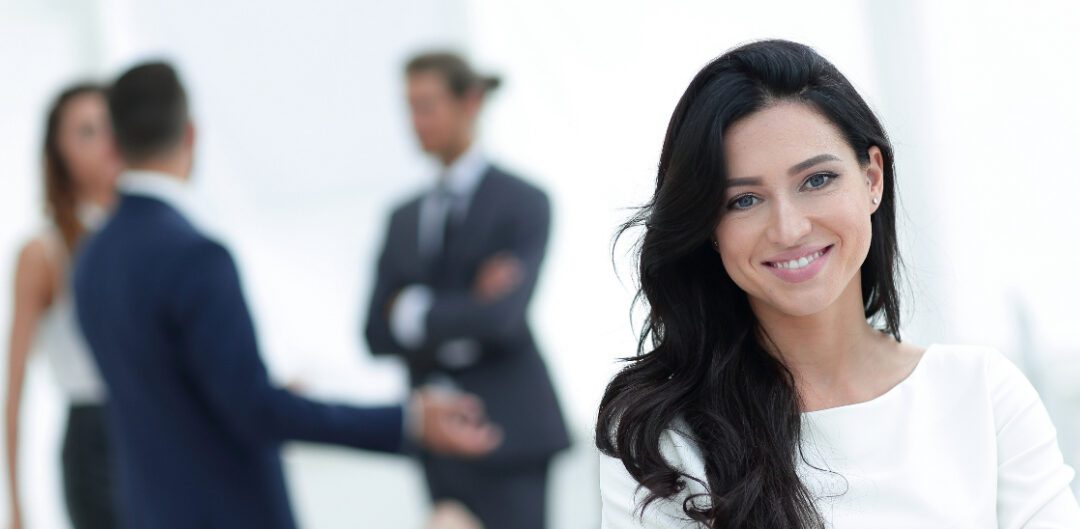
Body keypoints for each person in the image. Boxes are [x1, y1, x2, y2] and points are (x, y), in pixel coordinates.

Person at [596, 40, 1080, 528]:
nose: (788, 229)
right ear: (709, 228)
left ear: (872, 178)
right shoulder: (662, 438)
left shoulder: (983, 395)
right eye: (743, 200)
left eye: (816, 180)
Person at [73, 61, 501, 529]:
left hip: (147, 512)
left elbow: (164, 388)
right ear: (191, 134)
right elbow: (253, 410)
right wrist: (407, 421)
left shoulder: (90, 260)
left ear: (113, 143)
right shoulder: (197, 256)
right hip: (226, 512)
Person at [365, 51, 570, 529]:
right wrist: (469, 302)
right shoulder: (402, 219)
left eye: (427, 105)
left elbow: (500, 320)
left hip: (513, 432)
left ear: (470, 102)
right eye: (408, 106)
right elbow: (374, 332)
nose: (415, 122)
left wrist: (413, 311)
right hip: (435, 437)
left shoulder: (523, 202)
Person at [6, 82, 121, 529]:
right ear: (58, 152)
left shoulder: (144, 235)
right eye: (86, 131)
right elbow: (14, 386)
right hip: (95, 444)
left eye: (110, 127)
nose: (105, 142)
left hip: (151, 430)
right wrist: (15, 505)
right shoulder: (44, 253)